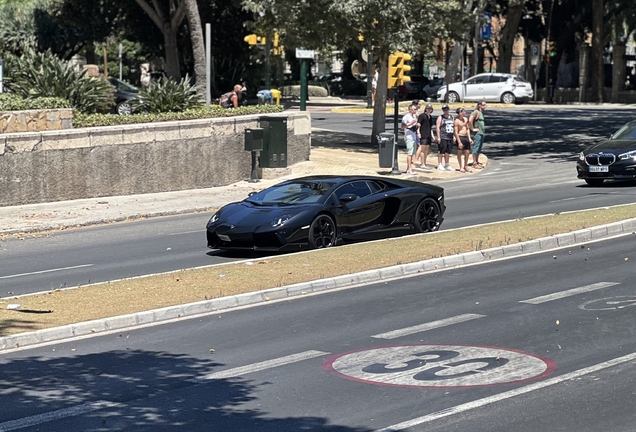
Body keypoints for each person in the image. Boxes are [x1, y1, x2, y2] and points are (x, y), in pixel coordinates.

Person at [415, 103, 435, 169]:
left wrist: (432, 135)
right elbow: (418, 125)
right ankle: (422, 163)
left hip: (428, 135)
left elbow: (430, 127)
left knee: (426, 150)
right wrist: (418, 133)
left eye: (430, 109)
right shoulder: (422, 116)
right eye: (428, 109)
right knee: (422, 150)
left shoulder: (430, 117)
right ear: (425, 109)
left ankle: (424, 163)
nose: (429, 110)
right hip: (423, 134)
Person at [435, 104, 455, 171]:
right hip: (443, 136)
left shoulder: (452, 117)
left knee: (448, 151)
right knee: (441, 151)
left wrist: (454, 135)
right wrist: (438, 137)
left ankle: (447, 164)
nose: (445, 111)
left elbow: (454, 127)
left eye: (446, 109)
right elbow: (437, 127)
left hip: (450, 136)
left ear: (449, 110)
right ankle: (439, 164)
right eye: (444, 110)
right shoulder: (441, 117)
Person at [401, 104, 419, 175]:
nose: (415, 111)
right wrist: (410, 124)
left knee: (412, 154)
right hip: (409, 137)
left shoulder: (413, 117)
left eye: (416, 109)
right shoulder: (406, 117)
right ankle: (409, 168)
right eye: (414, 109)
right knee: (410, 153)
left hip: (413, 136)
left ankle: (409, 167)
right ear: (410, 109)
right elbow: (402, 126)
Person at [454, 107, 473, 173]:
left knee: (467, 152)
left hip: (466, 137)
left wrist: (469, 138)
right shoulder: (456, 121)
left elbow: (467, 129)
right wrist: (459, 142)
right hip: (460, 136)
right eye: (463, 112)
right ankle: (461, 167)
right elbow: (456, 132)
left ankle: (465, 166)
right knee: (460, 152)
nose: (464, 113)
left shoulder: (465, 119)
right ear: (460, 113)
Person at [469, 100, 487, 168]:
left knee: (479, 147)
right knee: (476, 147)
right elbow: (470, 120)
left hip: (482, 133)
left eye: (485, 105)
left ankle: (476, 161)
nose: (485, 106)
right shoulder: (476, 112)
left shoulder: (481, 113)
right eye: (483, 105)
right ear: (479, 105)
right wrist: (473, 129)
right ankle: (474, 163)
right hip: (478, 133)